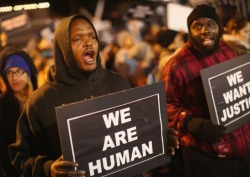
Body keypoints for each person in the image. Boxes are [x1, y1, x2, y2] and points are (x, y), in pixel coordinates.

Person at [8, 14, 179, 177]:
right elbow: (20, 156)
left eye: (92, 37)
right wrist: (48, 169)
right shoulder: (40, 102)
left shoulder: (117, 83)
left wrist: (159, 137)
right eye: (77, 39)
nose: (88, 43)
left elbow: (134, 133)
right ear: (62, 48)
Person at [162, 4, 250, 177]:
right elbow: (167, 105)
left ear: (219, 28)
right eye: (198, 26)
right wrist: (193, 123)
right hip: (208, 159)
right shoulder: (177, 65)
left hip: (243, 154)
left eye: (211, 24)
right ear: (189, 31)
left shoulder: (228, 50)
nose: (205, 30)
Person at [0, 49, 38, 177]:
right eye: (9, 72)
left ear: (28, 74)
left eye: (19, 71)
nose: (14, 77)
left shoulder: (39, 99)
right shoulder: (2, 106)